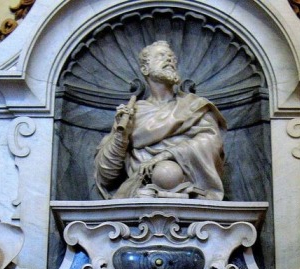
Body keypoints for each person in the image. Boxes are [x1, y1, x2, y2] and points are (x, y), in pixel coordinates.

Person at [94, 41, 227, 200]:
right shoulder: (132, 114)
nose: (169, 59)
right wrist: (121, 137)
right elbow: (106, 175)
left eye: (172, 58)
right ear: (145, 69)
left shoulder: (194, 106)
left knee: (167, 171)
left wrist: (166, 155)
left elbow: (211, 143)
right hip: (140, 193)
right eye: (161, 56)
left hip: (190, 193)